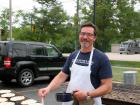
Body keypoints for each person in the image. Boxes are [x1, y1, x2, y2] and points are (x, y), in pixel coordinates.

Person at [38, 22, 112, 105]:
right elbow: (61, 76)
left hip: (90, 102)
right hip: (70, 102)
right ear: (79, 35)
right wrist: (48, 88)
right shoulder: (73, 55)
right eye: (83, 34)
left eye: (89, 34)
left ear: (94, 38)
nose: (85, 37)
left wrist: (87, 94)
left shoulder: (101, 58)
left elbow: (107, 87)